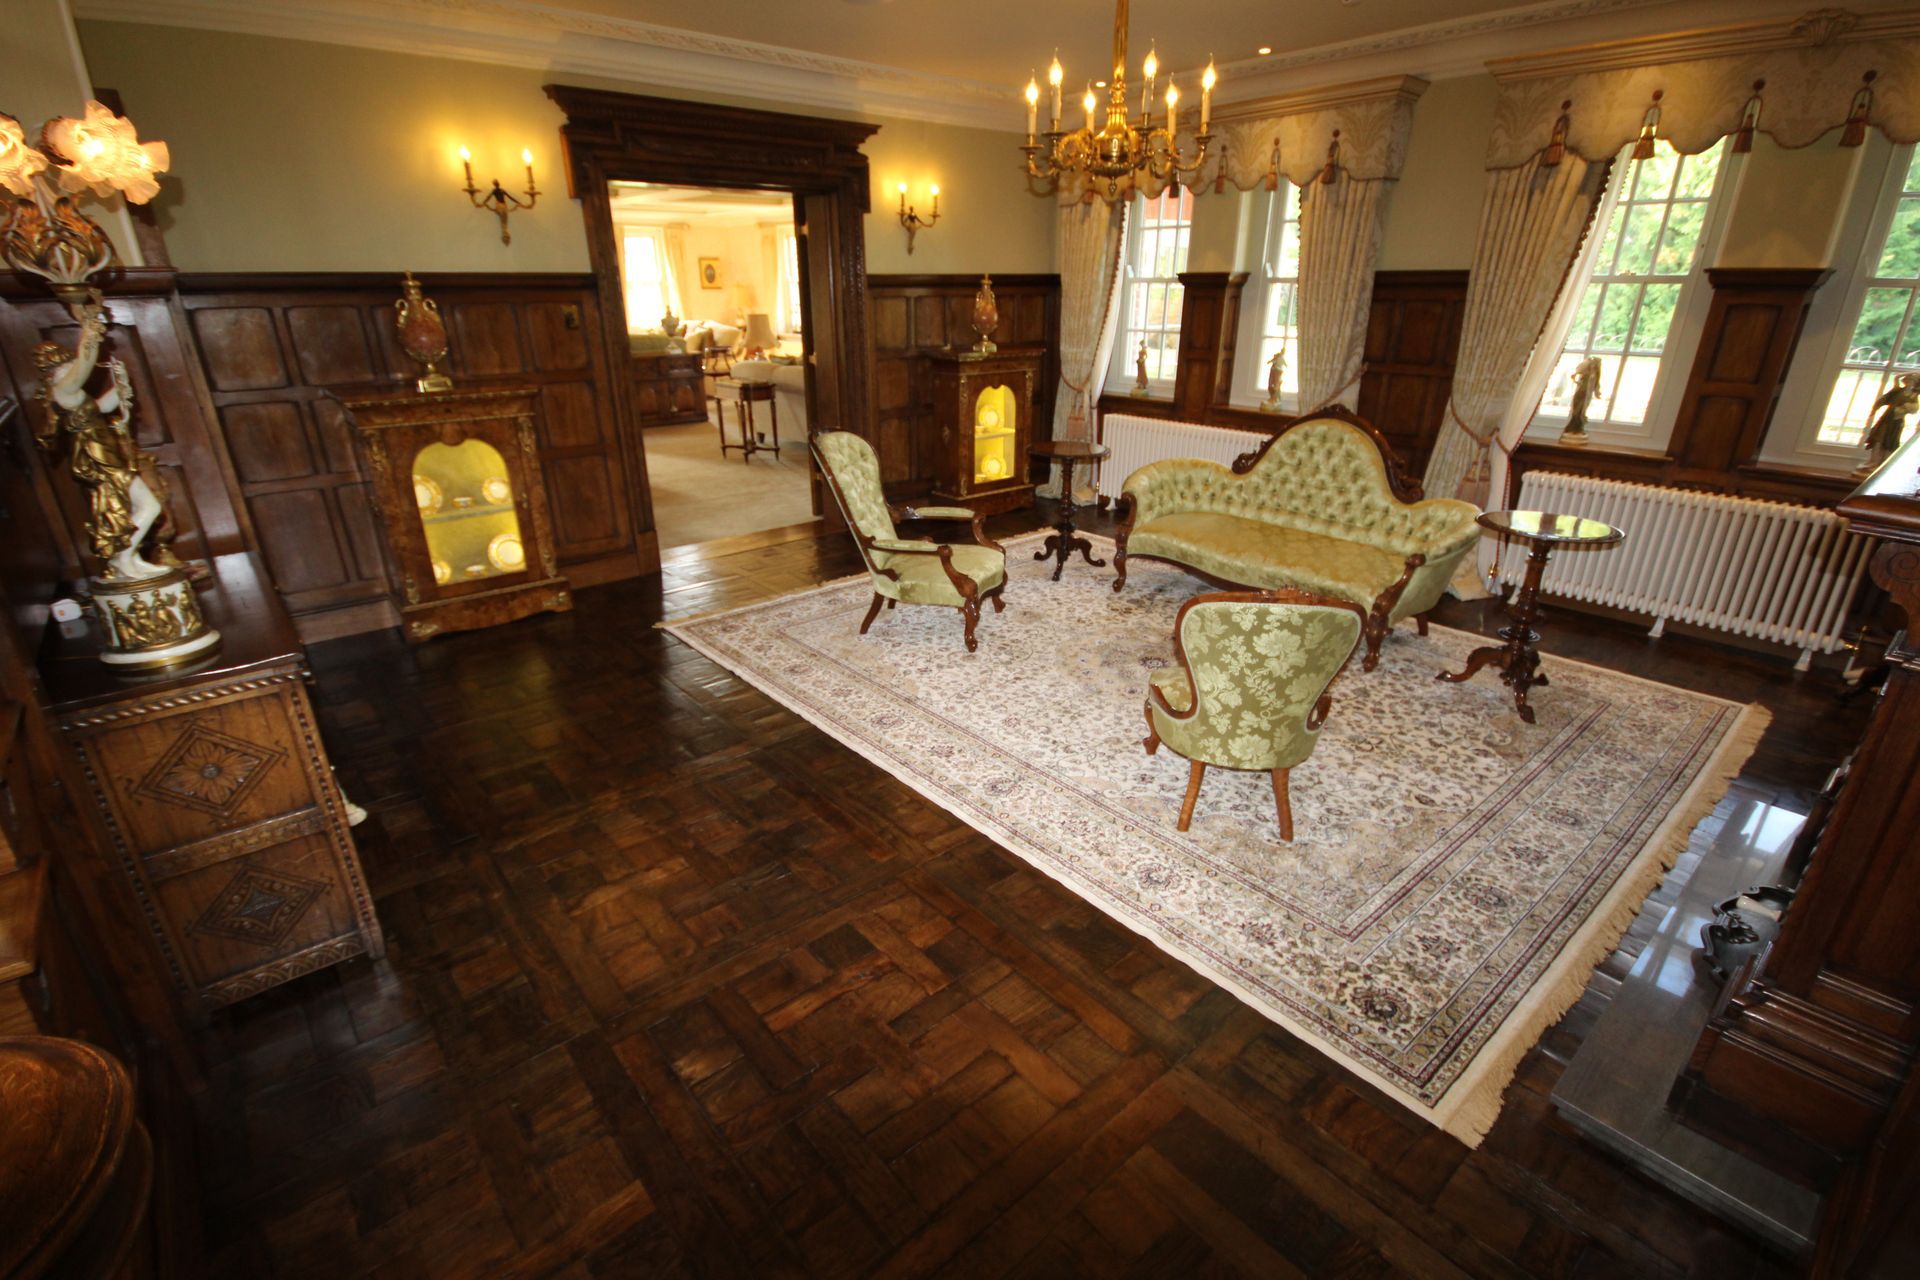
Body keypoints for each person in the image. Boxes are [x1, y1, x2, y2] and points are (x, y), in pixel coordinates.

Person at [33, 304, 168, 581]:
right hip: (98, 458)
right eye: (70, 363)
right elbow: (86, 360)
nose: (75, 366)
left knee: (141, 506)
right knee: (144, 506)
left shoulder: (72, 395)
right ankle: (123, 558)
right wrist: (90, 328)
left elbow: (102, 408)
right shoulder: (64, 390)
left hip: (106, 453)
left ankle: (128, 558)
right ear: (60, 365)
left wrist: (120, 386)